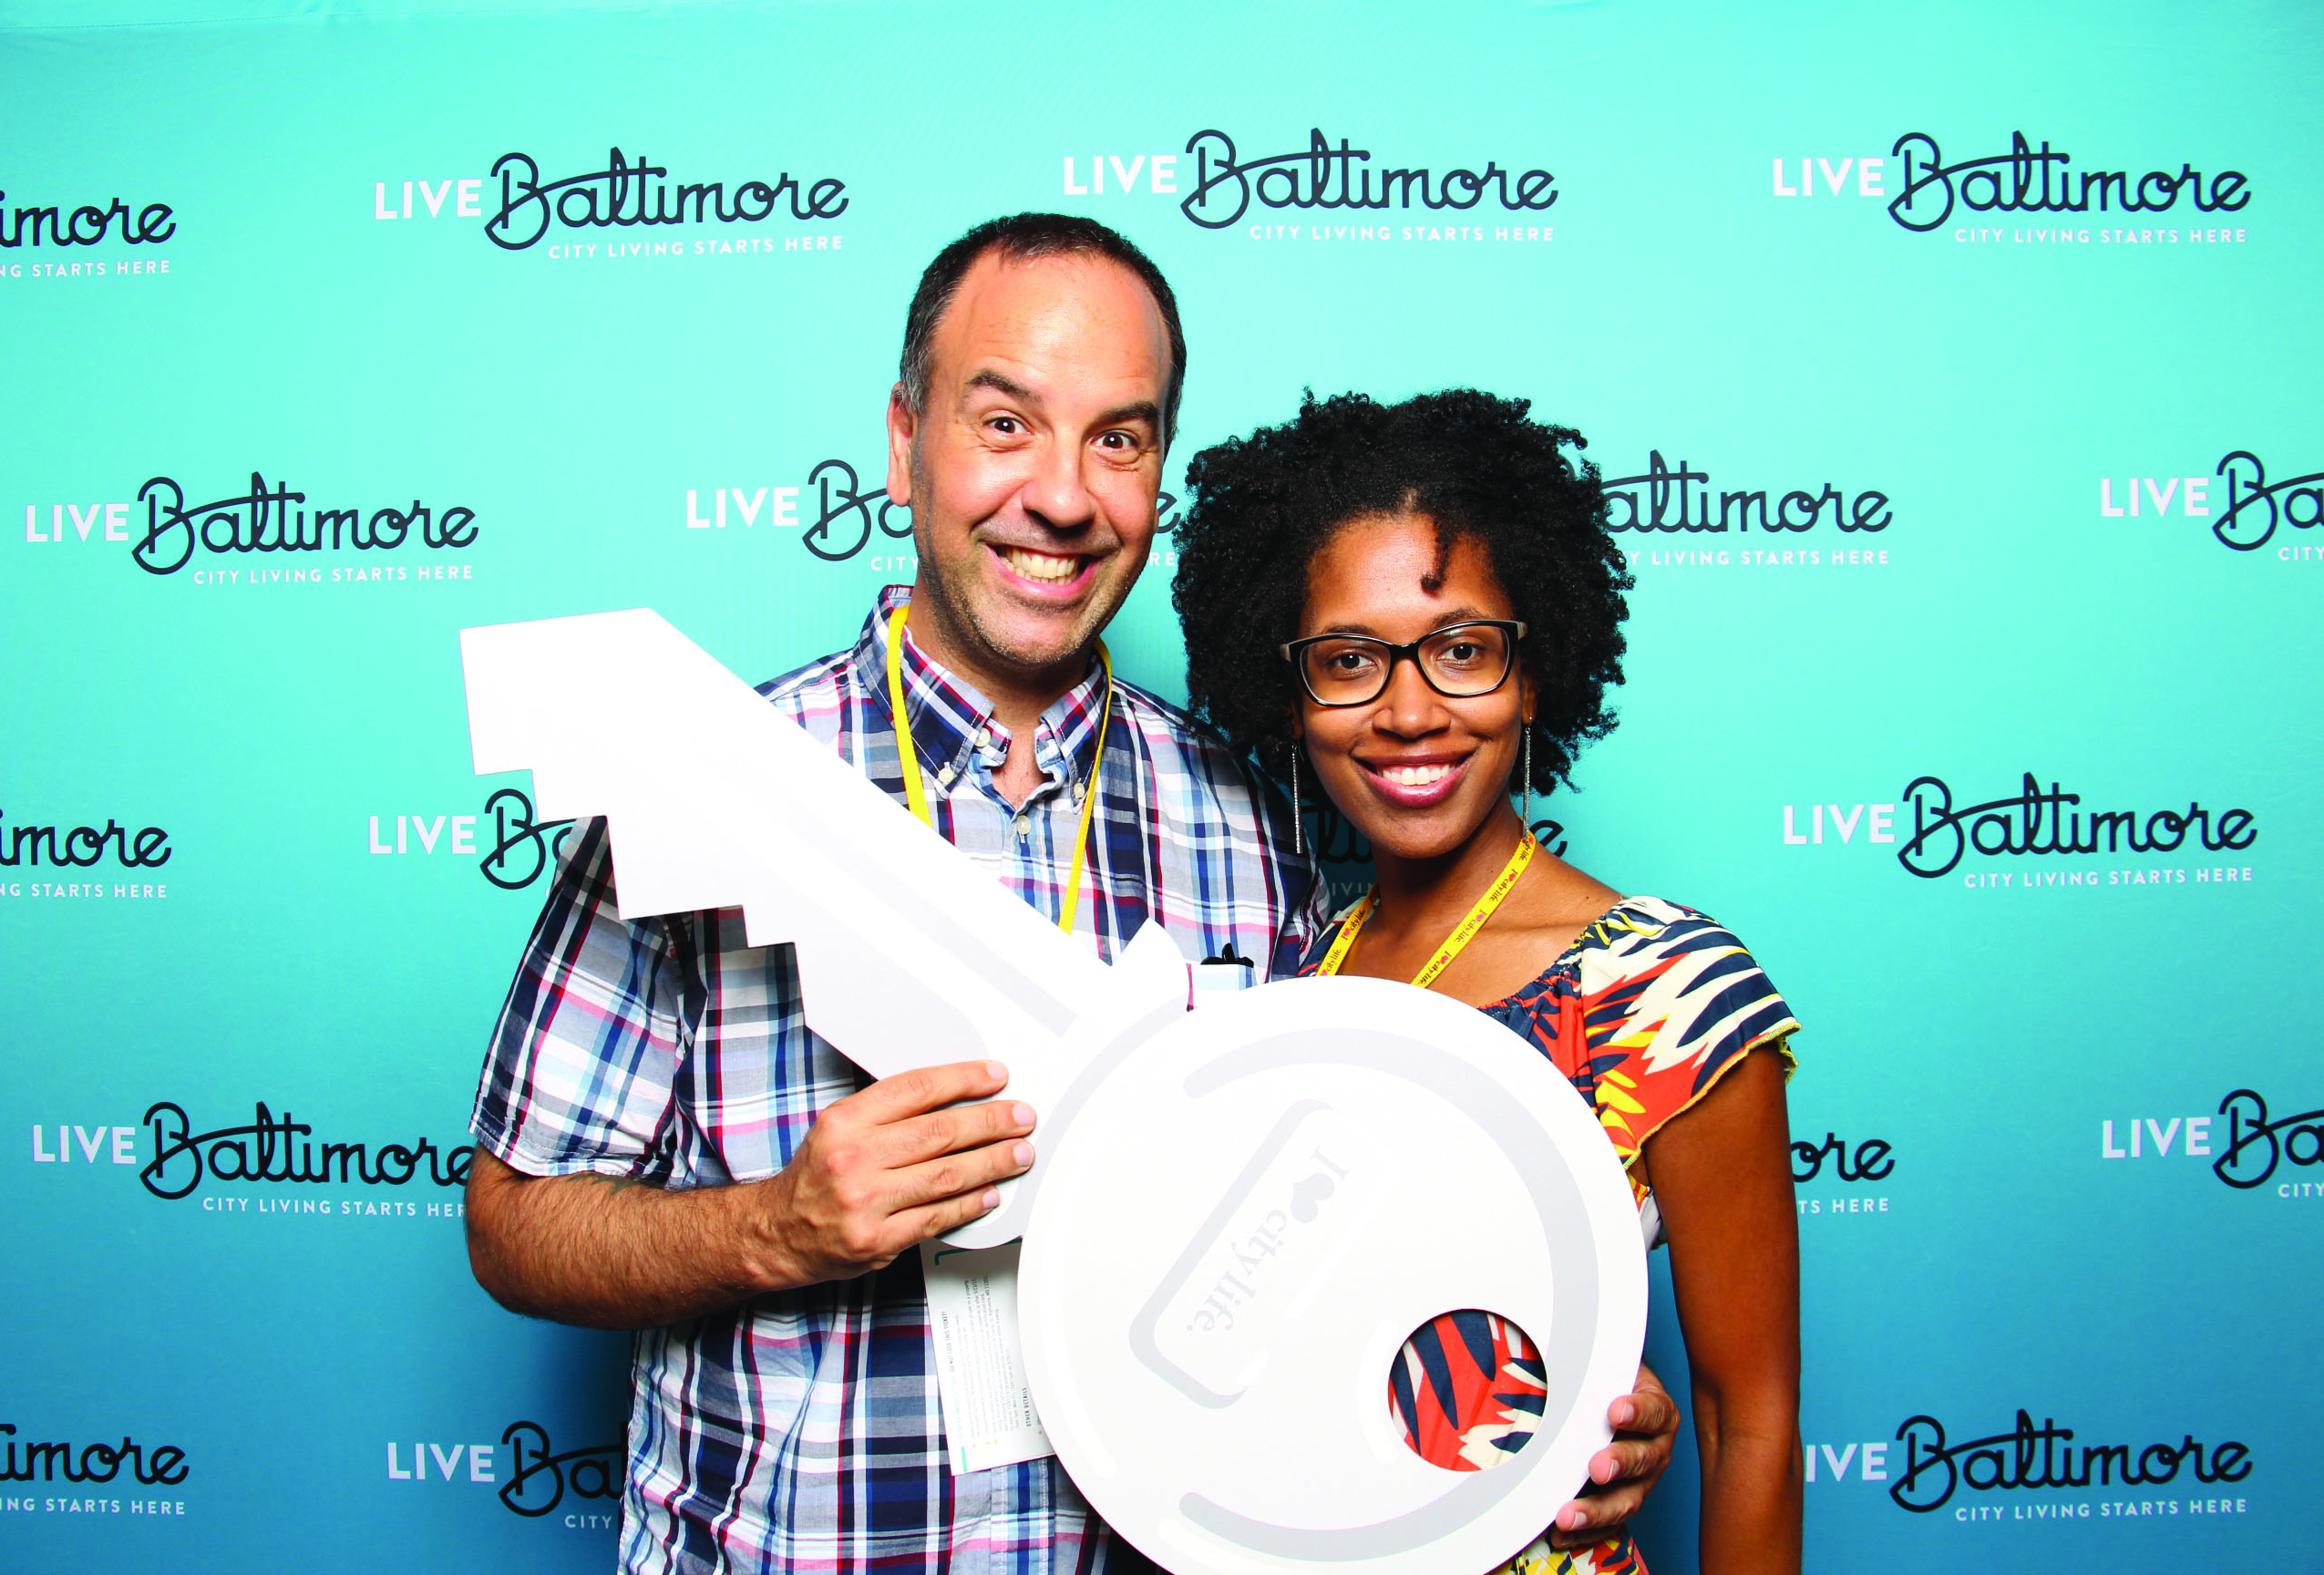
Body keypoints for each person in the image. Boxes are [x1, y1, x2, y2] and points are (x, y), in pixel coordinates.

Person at [462, 215, 1678, 1573]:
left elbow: (1340, 1229)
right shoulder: (706, 793)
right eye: (1004, 424)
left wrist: (1547, 1403)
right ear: (902, 440)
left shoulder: (1256, 815)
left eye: (1119, 437)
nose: (1062, 495)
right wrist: (773, 1228)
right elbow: (514, 1228)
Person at [1172, 389, 1804, 1574]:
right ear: (1291, 691)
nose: (1410, 713)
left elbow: (1749, 1424)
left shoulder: (1666, 986)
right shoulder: (1295, 981)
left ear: (1533, 667)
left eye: (1461, 650)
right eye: (1349, 660)